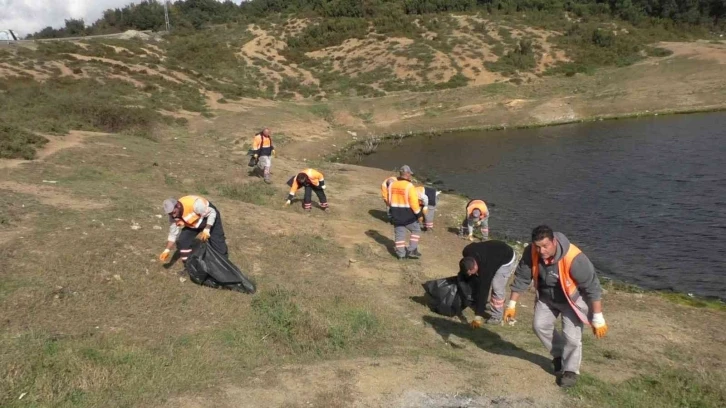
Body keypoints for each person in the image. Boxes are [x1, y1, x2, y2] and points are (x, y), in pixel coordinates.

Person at [503, 225, 608, 388]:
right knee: (539, 326)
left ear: (554, 242)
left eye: (545, 246)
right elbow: (522, 278)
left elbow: (592, 287)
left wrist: (598, 317)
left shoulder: (574, 257)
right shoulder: (531, 252)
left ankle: (570, 371)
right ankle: (559, 356)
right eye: (537, 247)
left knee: (572, 338)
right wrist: (512, 304)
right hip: (546, 297)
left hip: (571, 301)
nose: (541, 251)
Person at [458, 240, 518, 326]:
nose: (471, 274)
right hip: (492, 251)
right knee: (474, 279)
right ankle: (483, 303)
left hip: (506, 258)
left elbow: (484, 289)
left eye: (472, 272)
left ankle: (497, 316)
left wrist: (477, 317)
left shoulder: (486, 268)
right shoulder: (466, 251)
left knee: (497, 286)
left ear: (475, 266)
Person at [388, 165, 426, 259]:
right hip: (408, 215)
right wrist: (419, 214)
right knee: (416, 230)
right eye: (410, 174)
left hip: (396, 213)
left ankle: (401, 254)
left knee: (399, 234)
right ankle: (411, 250)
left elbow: (389, 201)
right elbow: (413, 202)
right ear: (408, 174)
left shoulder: (392, 185)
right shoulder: (409, 186)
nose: (411, 176)